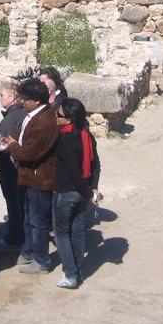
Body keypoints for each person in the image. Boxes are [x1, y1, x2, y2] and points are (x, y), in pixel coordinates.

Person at [1, 78, 59, 274]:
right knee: (29, 218)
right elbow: (24, 134)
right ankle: (28, 251)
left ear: (36, 99)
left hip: (39, 179)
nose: (22, 101)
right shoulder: (34, 114)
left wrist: (12, 146)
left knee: (38, 221)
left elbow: (30, 152)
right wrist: (13, 138)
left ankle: (42, 261)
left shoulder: (43, 120)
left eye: (25, 98)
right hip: (29, 177)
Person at [52, 98, 101, 290]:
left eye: (59, 115)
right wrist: (92, 188)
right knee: (78, 231)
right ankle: (77, 270)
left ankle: (70, 274)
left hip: (67, 191)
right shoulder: (86, 136)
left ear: (69, 120)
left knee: (61, 233)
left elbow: (73, 171)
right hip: (83, 192)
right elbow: (95, 164)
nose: (56, 117)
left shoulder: (67, 140)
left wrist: (87, 192)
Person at [0, 80, 27, 251]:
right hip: (20, 167)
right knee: (20, 202)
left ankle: (15, 237)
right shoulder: (23, 113)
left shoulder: (10, 120)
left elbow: (2, 148)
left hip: (9, 168)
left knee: (13, 202)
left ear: (12, 98)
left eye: (3, 95)